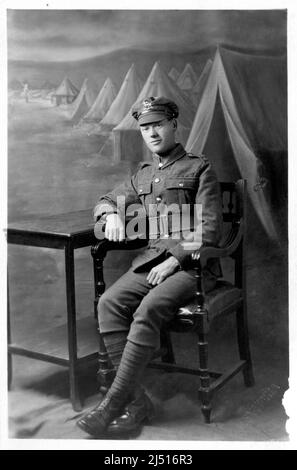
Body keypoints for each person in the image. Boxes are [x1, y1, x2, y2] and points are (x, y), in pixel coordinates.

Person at [77, 96, 223, 438]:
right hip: (148, 264)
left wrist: (175, 259)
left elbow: (210, 228)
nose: (152, 133)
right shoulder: (142, 175)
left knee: (148, 309)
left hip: (192, 268)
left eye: (158, 124)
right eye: (145, 127)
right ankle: (138, 401)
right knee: (109, 303)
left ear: (174, 124)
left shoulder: (200, 168)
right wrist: (110, 213)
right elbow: (106, 199)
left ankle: (112, 404)